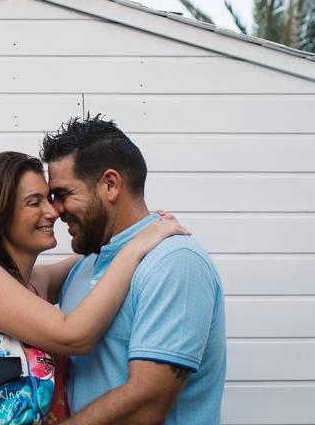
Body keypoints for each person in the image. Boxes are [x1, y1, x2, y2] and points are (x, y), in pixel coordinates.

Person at [0, 150, 190, 422]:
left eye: (49, 199)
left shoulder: (30, 283)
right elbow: (74, 335)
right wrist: (136, 246)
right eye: (33, 202)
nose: (53, 212)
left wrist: (137, 228)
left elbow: (98, 257)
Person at [42, 115, 227, 424]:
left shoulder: (174, 261)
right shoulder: (87, 265)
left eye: (63, 195)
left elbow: (147, 404)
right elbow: (7, 280)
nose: (54, 210)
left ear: (110, 185)